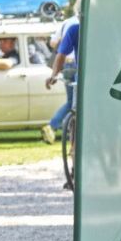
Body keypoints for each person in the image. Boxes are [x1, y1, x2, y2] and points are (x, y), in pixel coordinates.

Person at [43, 8, 81, 144]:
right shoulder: (76, 29)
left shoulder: (71, 26)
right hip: (80, 71)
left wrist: (54, 75)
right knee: (74, 107)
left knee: (74, 106)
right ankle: (72, 144)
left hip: (72, 69)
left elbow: (57, 49)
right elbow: (60, 55)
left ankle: (72, 144)